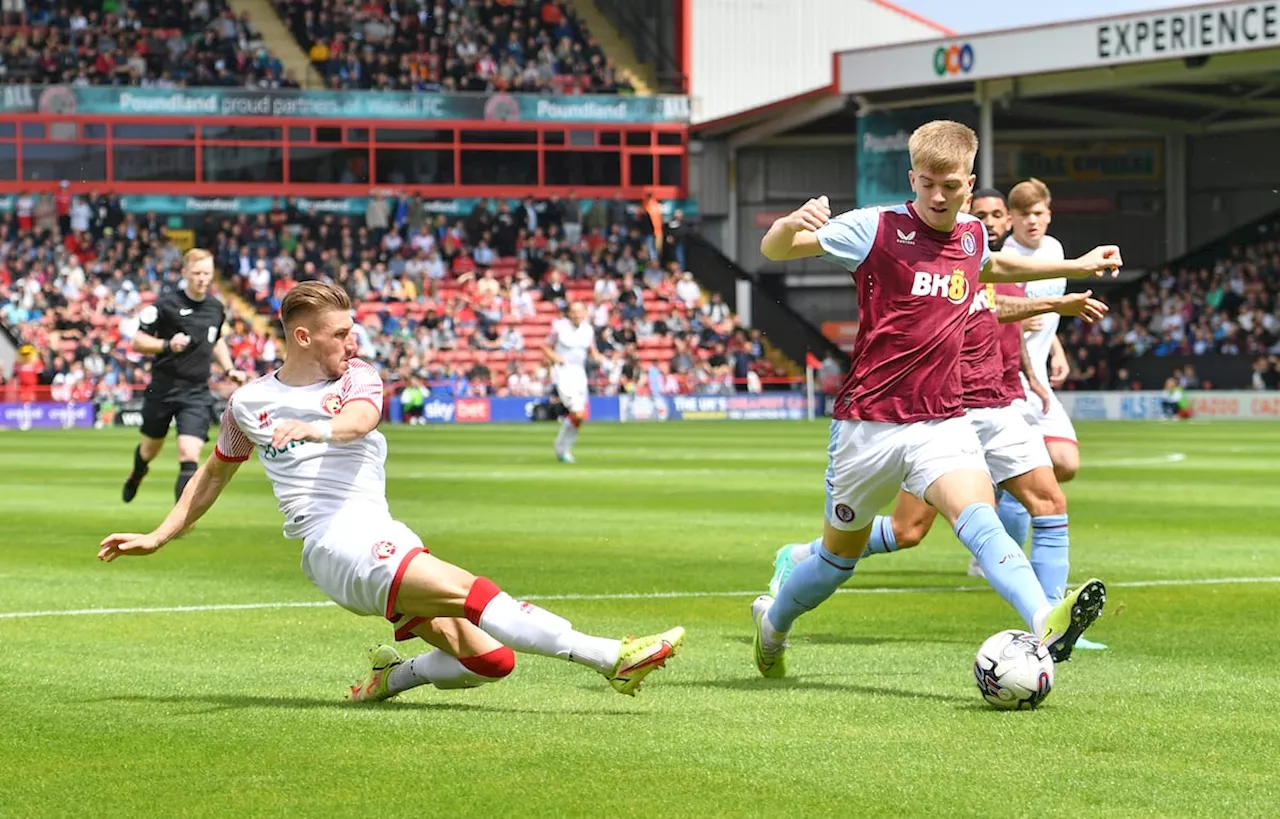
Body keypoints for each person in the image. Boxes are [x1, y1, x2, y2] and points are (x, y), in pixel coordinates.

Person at [98, 282, 684, 701]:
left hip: (380, 530)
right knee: (465, 588)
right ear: (302, 336)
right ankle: (612, 658)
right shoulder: (248, 403)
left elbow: (359, 421)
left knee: (489, 660)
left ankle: (392, 677)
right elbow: (213, 474)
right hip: (332, 543)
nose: (352, 342)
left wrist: (315, 427)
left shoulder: (358, 376)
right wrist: (159, 534)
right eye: (340, 333)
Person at [752, 121, 1118, 679]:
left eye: (950, 185)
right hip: (867, 426)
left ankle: (1045, 616)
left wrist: (1077, 264)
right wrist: (787, 223)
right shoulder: (874, 228)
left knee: (982, 520)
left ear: (969, 183)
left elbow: (995, 265)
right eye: (927, 185)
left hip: (941, 421)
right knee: (834, 563)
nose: (939, 196)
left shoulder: (971, 234)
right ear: (912, 179)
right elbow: (777, 250)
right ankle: (774, 626)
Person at [123, 249, 248, 504]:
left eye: (207, 274)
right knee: (149, 449)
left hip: (196, 391)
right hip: (163, 387)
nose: (202, 278)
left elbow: (217, 341)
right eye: (197, 273)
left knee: (189, 453)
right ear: (185, 273)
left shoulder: (215, 308)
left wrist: (229, 369)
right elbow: (137, 341)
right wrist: (166, 345)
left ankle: (179, 521)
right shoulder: (166, 304)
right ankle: (138, 471)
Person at [541, 301, 602, 463]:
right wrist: (556, 358)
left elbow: (592, 350)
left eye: (580, 311)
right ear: (569, 313)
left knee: (580, 416)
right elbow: (545, 346)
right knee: (577, 412)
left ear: (585, 312)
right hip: (564, 373)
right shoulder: (559, 328)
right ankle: (563, 448)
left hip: (580, 373)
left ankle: (562, 446)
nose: (577, 314)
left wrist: (600, 358)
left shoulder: (588, 330)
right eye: (573, 311)